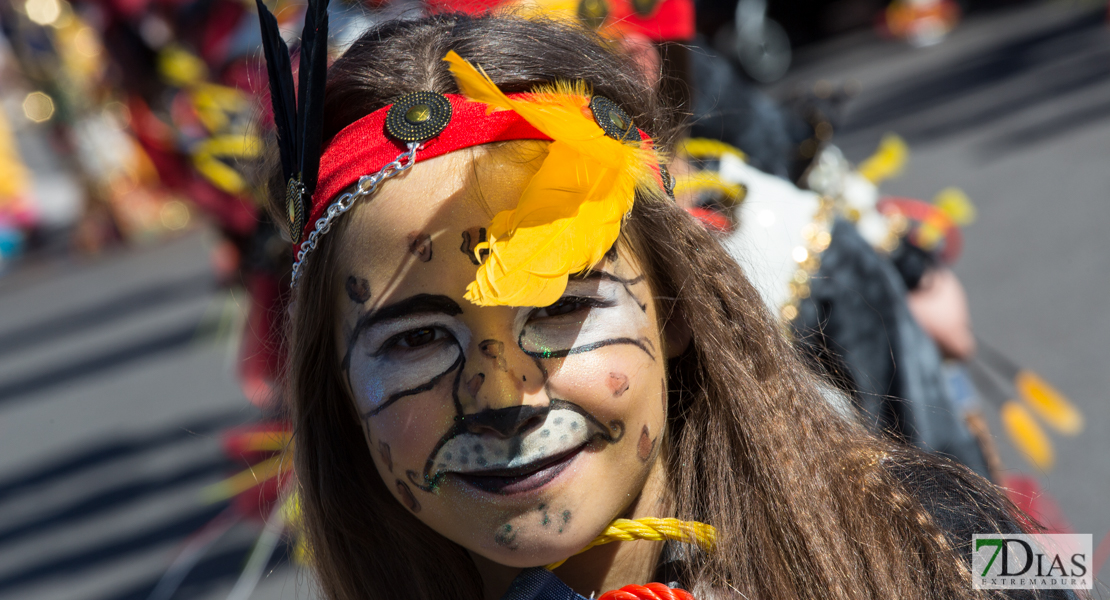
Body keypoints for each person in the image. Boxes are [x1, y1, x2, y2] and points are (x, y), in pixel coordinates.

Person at [258, 10, 1071, 600]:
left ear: (675, 307)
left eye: (560, 307)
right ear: (333, 380)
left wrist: (1017, 556)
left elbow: (1043, 561)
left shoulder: (939, 540)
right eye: (416, 340)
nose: (503, 400)